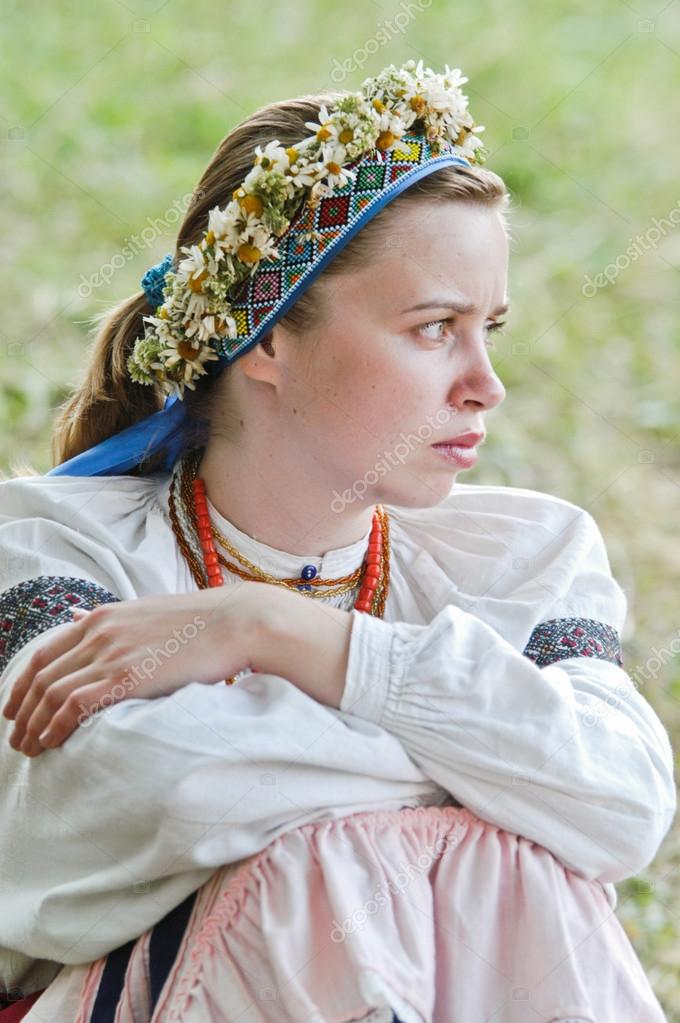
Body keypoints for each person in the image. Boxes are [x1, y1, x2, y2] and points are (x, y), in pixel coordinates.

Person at [0, 60, 675, 1023]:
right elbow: (179, 792)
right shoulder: (53, 549)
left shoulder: (528, 552)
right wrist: (500, 765)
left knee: (507, 862)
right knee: (346, 860)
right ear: (268, 335)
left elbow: (625, 798)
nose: (486, 382)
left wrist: (281, 632)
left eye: (490, 328)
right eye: (434, 327)